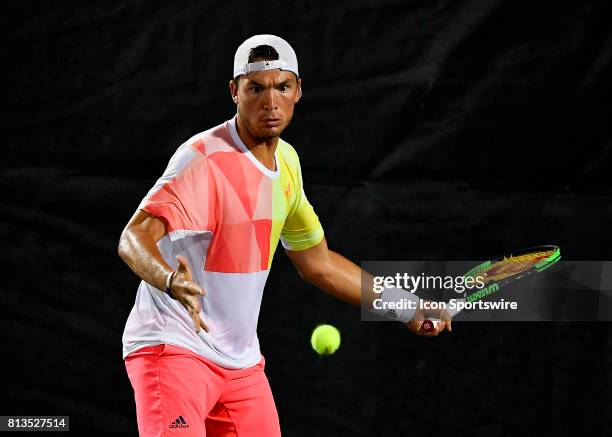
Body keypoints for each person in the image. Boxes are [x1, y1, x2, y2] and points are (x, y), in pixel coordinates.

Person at [118, 34, 450, 437]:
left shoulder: (287, 163)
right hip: (173, 348)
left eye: (282, 87)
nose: (270, 101)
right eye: (256, 88)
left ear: (298, 91)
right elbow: (133, 237)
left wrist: (407, 306)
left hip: (240, 365)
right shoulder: (203, 157)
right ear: (234, 92)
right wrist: (170, 280)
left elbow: (320, 265)